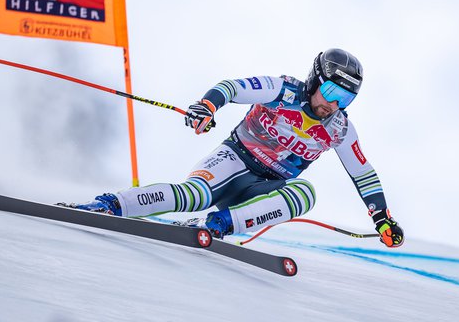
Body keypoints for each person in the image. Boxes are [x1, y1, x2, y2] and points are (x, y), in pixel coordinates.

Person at [69, 48, 403, 248]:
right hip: (234, 160)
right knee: (194, 195)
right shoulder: (283, 90)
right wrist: (208, 106)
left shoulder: (340, 128)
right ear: (316, 80)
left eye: (346, 99)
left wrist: (382, 219)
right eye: (332, 92)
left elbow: (364, 174)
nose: (334, 105)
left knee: (305, 194)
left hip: (265, 186)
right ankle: (112, 205)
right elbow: (232, 87)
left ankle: (219, 225)